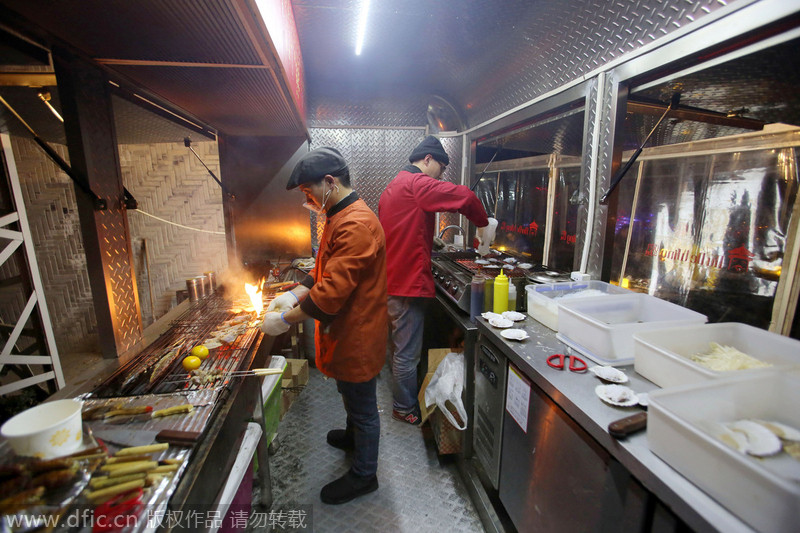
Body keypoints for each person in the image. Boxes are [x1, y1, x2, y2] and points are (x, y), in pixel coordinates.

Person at [261, 147, 387, 505]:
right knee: (349, 393)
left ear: (329, 182)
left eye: (307, 191)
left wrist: (285, 319)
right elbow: (321, 274)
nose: (308, 199)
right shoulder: (337, 215)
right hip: (345, 330)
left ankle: (365, 476)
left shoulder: (357, 224)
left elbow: (331, 294)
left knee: (363, 406)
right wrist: (295, 293)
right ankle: (352, 437)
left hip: (357, 332)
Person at [378, 135, 492, 425]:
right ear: (427, 160)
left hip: (393, 277)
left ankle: (407, 398)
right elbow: (465, 197)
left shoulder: (394, 185)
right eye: (440, 169)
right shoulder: (416, 183)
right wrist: (483, 223)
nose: (440, 176)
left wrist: (429, 242)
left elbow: (403, 229)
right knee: (406, 353)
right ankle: (404, 407)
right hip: (406, 283)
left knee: (401, 348)